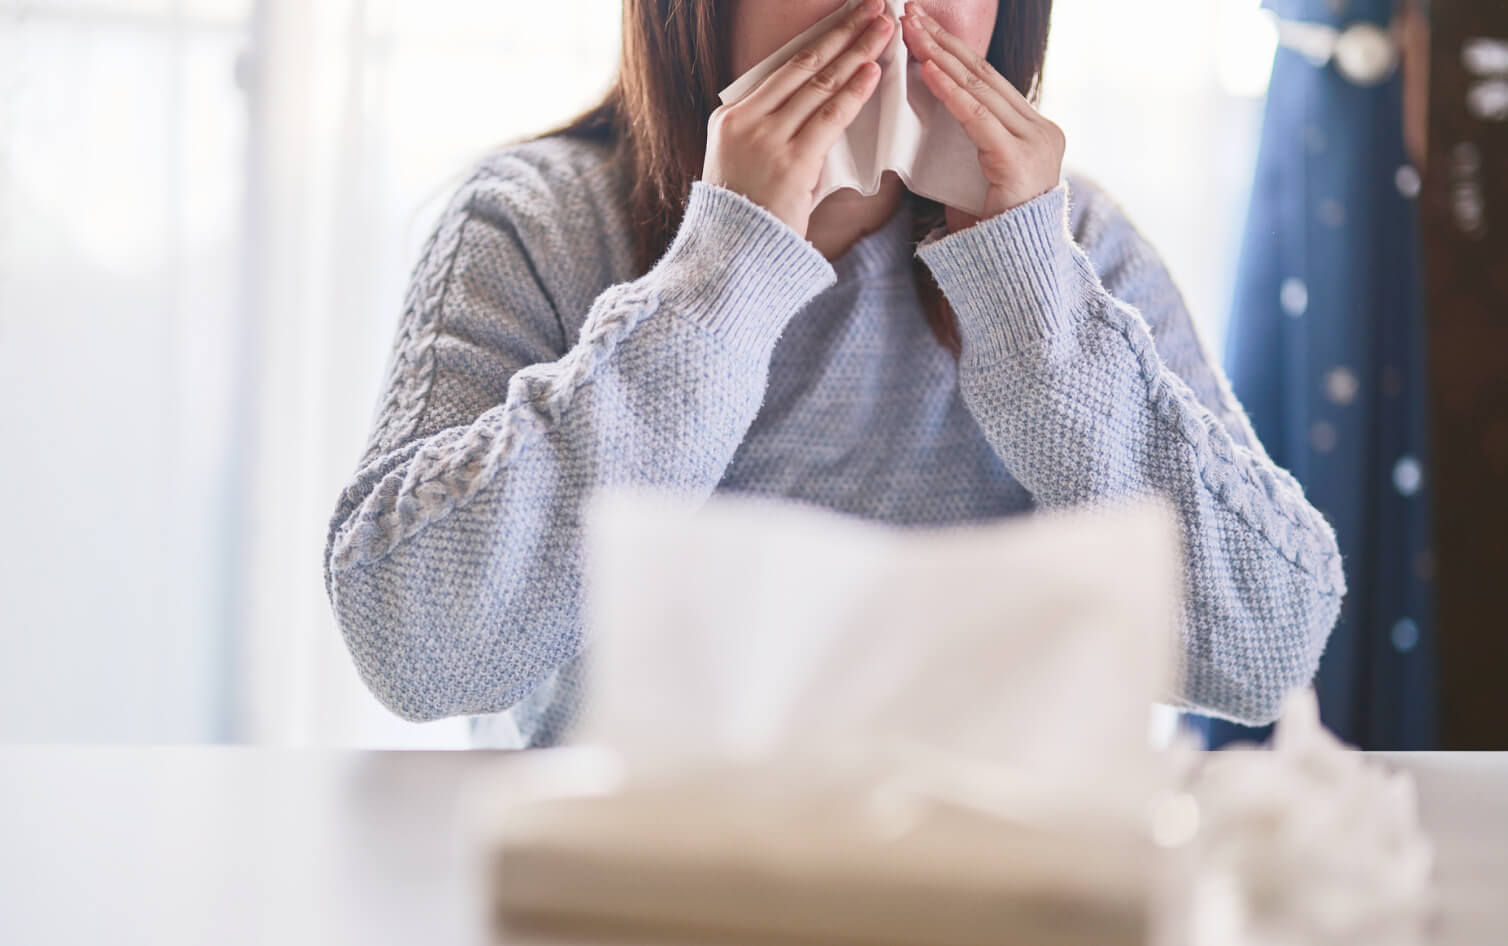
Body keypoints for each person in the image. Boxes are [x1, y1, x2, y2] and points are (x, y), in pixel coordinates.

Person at [322, 0, 1346, 748]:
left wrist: (1033, 304)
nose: (888, 13)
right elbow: (414, 645)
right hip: (644, 887)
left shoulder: (1065, 242)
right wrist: (724, 273)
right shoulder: (535, 221)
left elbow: (1265, 646)